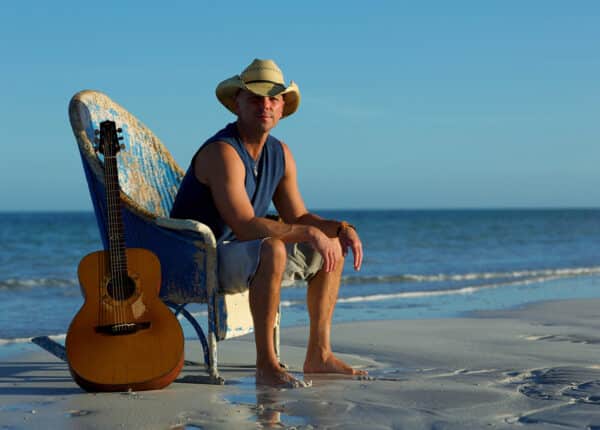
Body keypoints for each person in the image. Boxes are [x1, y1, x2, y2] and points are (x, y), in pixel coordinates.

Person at [171, 58, 365, 387]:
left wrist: (341, 229)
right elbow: (245, 225)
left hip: (241, 253)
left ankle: (319, 355)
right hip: (199, 258)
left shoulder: (280, 153)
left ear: (282, 107)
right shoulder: (223, 152)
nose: (266, 105)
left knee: (330, 248)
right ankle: (266, 365)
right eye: (255, 98)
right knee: (272, 248)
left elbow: (298, 216)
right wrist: (308, 233)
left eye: (273, 99)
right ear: (237, 104)